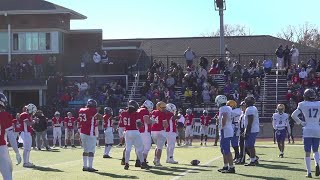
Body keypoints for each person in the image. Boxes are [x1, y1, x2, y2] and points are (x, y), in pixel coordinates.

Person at [291, 89, 320, 178]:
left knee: (307, 152)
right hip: (317, 129)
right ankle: (317, 163)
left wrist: (301, 122)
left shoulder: (302, 104)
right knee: (315, 150)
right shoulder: (319, 104)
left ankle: (309, 172)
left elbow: (293, 115)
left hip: (307, 129)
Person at [0, 93, 22, 180]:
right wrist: (16, 152)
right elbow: (11, 136)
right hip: (1, 148)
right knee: (8, 175)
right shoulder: (4, 115)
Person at [122, 100, 149, 170]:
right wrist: (142, 125)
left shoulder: (123, 113)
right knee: (139, 149)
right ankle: (142, 162)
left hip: (127, 132)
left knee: (128, 149)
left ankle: (126, 163)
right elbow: (139, 124)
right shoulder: (136, 113)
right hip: (135, 131)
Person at [78, 99, 102, 172]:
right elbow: (100, 117)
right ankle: (90, 167)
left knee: (85, 150)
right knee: (91, 151)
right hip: (90, 133)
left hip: (82, 132)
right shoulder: (92, 110)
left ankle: (85, 166)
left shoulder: (81, 110)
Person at [215, 95, 235, 173]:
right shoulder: (227, 107)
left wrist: (222, 127)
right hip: (227, 129)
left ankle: (231, 167)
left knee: (226, 150)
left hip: (225, 130)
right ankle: (226, 166)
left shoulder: (223, 108)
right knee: (223, 149)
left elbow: (224, 116)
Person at [151, 101, 169, 166]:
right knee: (160, 148)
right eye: (163, 107)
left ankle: (155, 158)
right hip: (160, 131)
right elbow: (165, 124)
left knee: (157, 146)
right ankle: (157, 161)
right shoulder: (162, 114)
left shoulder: (153, 112)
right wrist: (166, 126)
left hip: (153, 131)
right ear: (159, 107)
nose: (164, 108)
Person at [136, 100, 154, 167]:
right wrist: (152, 121)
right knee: (146, 147)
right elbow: (146, 120)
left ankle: (138, 161)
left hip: (139, 131)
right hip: (144, 130)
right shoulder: (144, 110)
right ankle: (143, 161)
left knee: (140, 147)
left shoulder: (139, 109)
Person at [244, 96, 260, 166]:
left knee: (250, 146)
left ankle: (253, 160)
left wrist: (247, 131)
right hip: (253, 129)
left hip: (252, 129)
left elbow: (250, 121)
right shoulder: (253, 108)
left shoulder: (250, 109)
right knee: (249, 145)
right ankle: (254, 159)